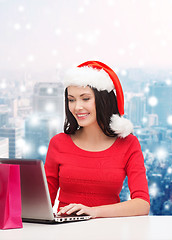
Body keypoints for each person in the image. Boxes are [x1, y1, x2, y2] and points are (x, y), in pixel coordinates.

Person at [45, 61, 150, 219]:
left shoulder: (128, 143)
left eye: (85, 99)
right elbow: (44, 202)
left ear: (103, 100)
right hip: (65, 231)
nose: (77, 107)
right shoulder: (58, 143)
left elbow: (142, 203)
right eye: (71, 100)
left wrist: (94, 212)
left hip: (108, 231)